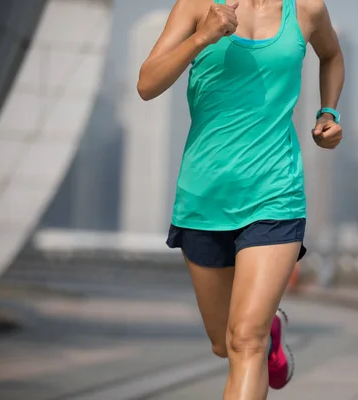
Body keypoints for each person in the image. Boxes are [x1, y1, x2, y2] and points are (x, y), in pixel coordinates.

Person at [137, 0, 344, 399]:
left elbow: (332, 55)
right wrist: (203, 36)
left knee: (246, 341)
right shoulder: (196, 7)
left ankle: (262, 333)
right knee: (223, 342)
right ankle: (272, 330)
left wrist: (328, 113)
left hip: (275, 193)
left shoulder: (305, 10)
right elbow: (147, 84)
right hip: (203, 198)